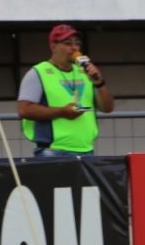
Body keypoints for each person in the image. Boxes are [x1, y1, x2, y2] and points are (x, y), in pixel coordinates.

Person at [18, 24, 114, 157]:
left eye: (77, 44)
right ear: (53, 46)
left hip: (86, 149)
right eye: (68, 43)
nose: (74, 48)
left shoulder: (84, 72)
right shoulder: (38, 72)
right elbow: (24, 110)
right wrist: (62, 112)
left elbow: (107, 108)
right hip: (53, 150)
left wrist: (99, 83)